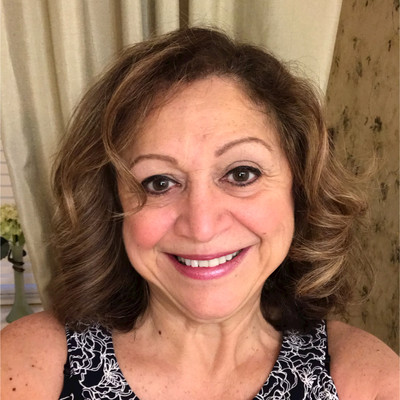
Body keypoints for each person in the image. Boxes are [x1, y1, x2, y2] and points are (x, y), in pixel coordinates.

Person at [1, 27, 398, 400]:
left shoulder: (367, 381)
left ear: (300, 190)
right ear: (112, 205)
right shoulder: (27, 364)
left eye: (241, 174)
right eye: (159, 182)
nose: (202, 226)